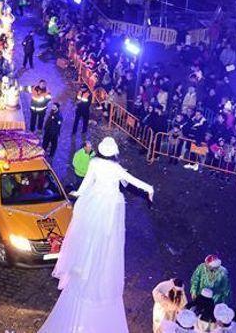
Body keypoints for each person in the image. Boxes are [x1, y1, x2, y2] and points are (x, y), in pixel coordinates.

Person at [41, 137, 154, 333]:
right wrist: (150, 189)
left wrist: (75, 193)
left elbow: (85, 185)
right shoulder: (116, 168)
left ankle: (84, 263)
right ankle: (98, 266)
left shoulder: (94, 163)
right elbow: (135, 181)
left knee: (88, 235)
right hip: (110, 206)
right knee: (107, 239)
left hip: (94, 203)